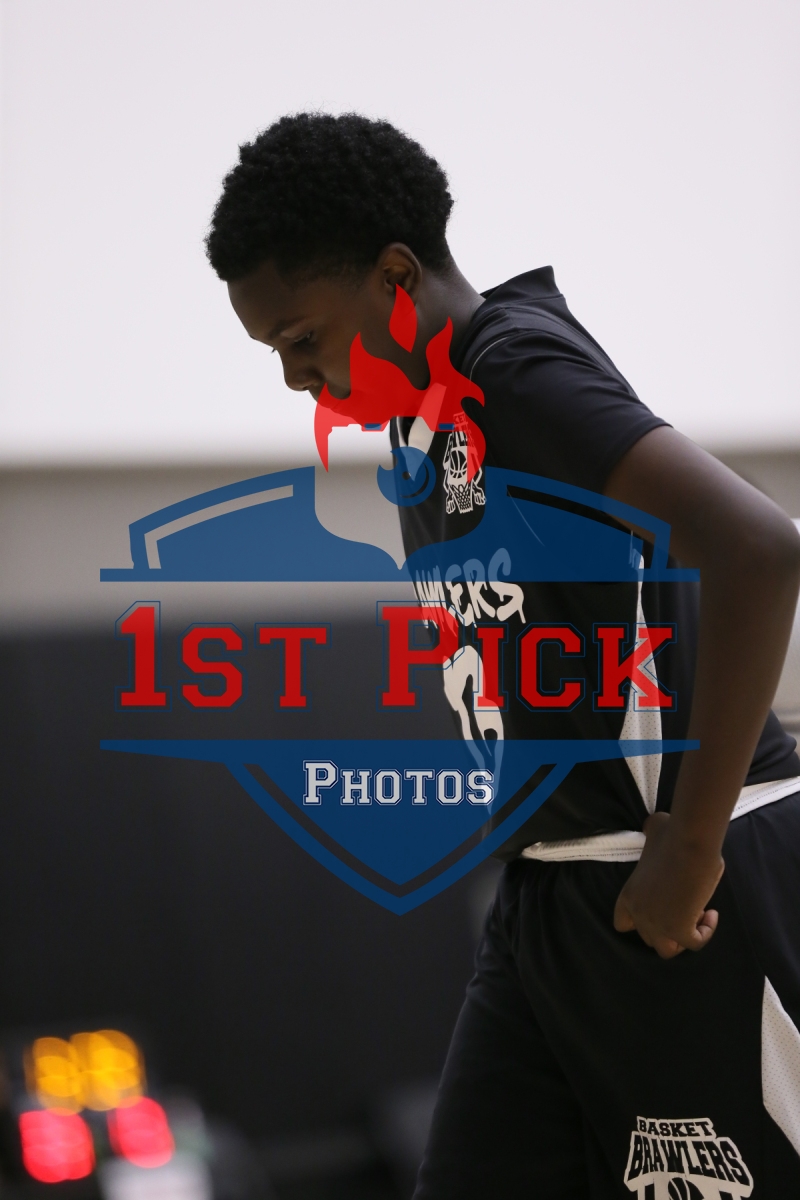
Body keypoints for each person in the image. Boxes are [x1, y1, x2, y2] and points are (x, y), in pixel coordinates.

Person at [206, 112, 800, 1197]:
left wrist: (688, 848)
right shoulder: (420, 421)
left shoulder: (513, 371)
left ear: (395, 277)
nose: (295, 377)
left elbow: (759, 549)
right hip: (546, 898)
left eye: (301, 339)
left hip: (676, 884)